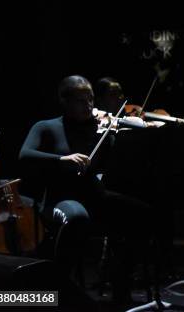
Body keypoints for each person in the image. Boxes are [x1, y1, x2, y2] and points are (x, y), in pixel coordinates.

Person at [19, 75, 151, 304]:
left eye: (90, 99)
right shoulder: (47, 127)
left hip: (95, 196)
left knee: (141, 213)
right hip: (60, 199)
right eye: (80, 101)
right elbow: (25, 155)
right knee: (77, 218)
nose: (88, 106)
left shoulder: (100, 127)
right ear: (64, 101)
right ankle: (57, 289)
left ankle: (121, 287)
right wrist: (62, 159)